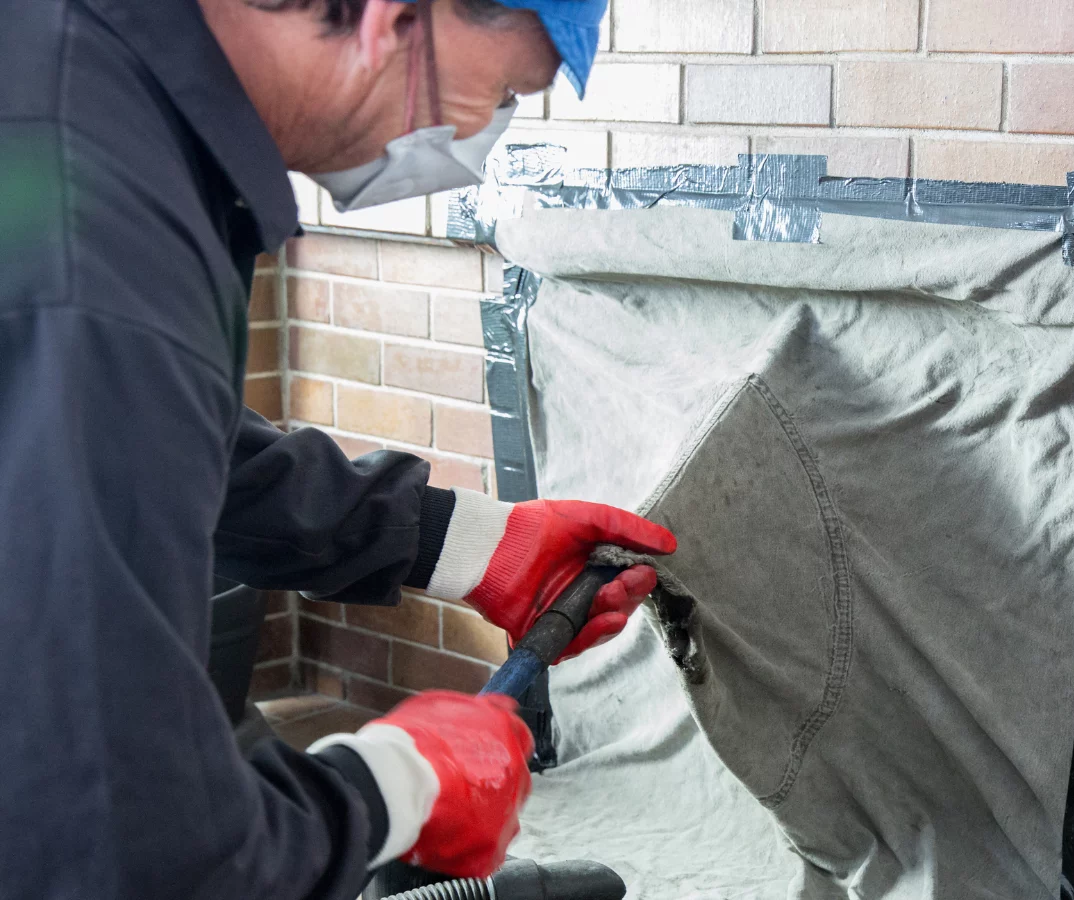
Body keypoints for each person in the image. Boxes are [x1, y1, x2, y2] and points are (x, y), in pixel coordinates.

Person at [0, 0, 676, 897]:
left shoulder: (89, 80)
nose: (485, 133)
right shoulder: (101, 221)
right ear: (394, 17)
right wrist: (397, 785)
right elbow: (123, 840)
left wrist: (460, 542)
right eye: (505, 89)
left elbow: (140, 436)